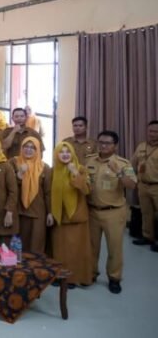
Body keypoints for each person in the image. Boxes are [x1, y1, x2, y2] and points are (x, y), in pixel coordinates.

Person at [86, 131, 137, 294]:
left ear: (115, 145)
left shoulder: (123, 163)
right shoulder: (89, 160)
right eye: (100, 142)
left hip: (113, 212)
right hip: (92, 211)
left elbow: (132, 185)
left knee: (114, 248)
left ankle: (114, 278)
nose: (103, 145)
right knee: (91, 247)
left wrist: (119, 172)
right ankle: (91, 273)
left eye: (107, 143)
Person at [49, 142, 93, 287]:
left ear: (73, 153)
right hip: (59, 216)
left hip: (76, 216)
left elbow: (87, 190)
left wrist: (75, 172)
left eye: (68, 152)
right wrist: (50, 212)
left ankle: (73, 278)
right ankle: (60, 275)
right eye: (61, 152)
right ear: (56, 154)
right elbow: (48, 193)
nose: (65, 155)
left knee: (75, 250)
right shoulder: (53, 171)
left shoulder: (81, 169)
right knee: (59, 249)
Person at [12, 137, 52, 254]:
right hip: (19, 212)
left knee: (36, 249)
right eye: (26, 146)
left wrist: (50, 212)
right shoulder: (13, 162)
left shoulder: (44, 167)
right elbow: (8, 187)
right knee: (18, 248)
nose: (28, 150)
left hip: (38, 213)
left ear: (37, 150)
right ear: (21, 147)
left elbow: (48, 192)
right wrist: (19, 174)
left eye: (32, 147)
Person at [131, 120, 158, 251]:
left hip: (157, 186)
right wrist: (133, 180)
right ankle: (148, 237)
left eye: (156, 132)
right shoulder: (141, 146)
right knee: (146, 213)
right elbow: (132, 164)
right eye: (151, 131)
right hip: (142, 185)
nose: (153, 134)